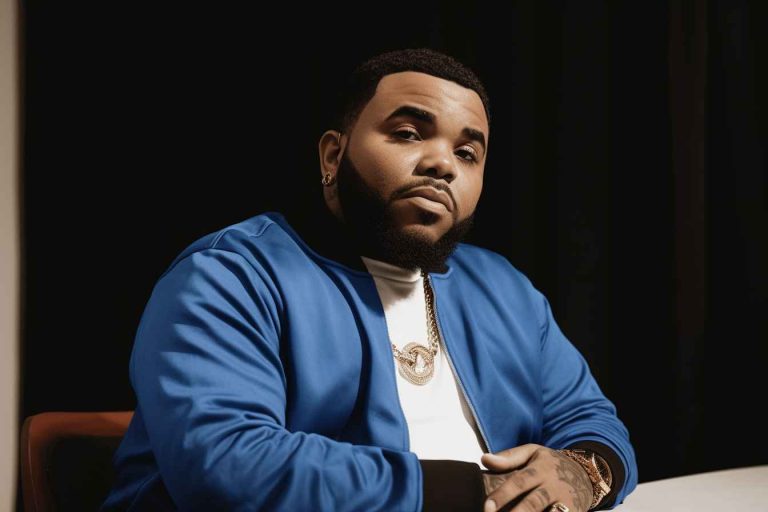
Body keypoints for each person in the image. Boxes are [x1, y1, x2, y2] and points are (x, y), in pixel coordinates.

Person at [101, 48, 637, 511]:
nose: (442, 164)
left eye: (467, 153)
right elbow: (227, 466)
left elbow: (592, 421)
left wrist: (581, 474)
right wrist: (479, 494)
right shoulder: (229, 275)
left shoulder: (504, 288)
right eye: (408, 133)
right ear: (333, 155)